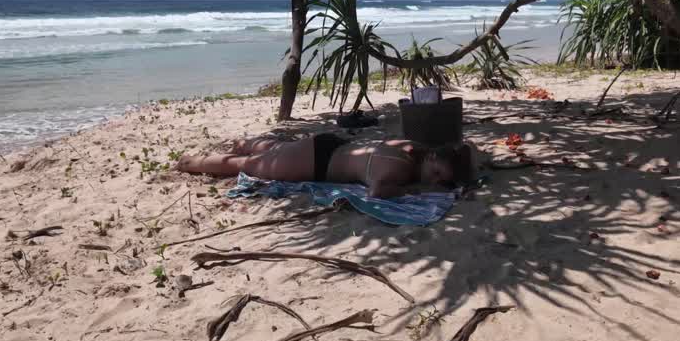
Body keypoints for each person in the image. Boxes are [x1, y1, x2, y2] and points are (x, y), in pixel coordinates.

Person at [176, 132, 477, 198]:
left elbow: (462, 149)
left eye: (441, 180)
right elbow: (378, 192)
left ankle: (244, 141)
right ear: (433, 159)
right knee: (249, 166)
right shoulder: (399, 169)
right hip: (319, 162)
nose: (433, 180)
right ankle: (190, 163)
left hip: (330, 144)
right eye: (436, 174)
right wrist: (415, 190)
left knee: (276, 150)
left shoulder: (416, 146)